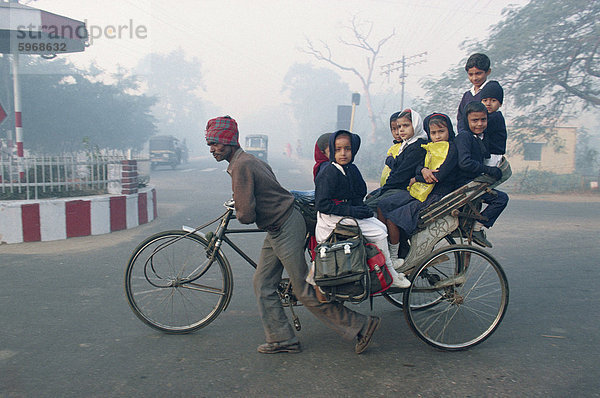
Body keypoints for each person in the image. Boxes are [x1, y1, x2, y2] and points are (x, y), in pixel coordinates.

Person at [205, 116, 380, 355]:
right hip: (280, 224)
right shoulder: (249, 159)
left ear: (230, 142)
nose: (213, 149)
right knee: (263, 283)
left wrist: (241, 208)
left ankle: (360, 326)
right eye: (210, 145)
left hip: (285, 227)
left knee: (303, 288)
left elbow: (245, 214)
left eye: (217, 144)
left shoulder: (241, 166)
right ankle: (281, 338)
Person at [314, 129, 411, 285]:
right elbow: (322, 204)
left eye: (347, 149)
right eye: (338, 150)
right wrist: (352, 210)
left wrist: (361, 208)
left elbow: (357, 193)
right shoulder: (329, 172)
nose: (343, 153)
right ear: (332, 151)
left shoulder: (350, 169)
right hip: (333, 217)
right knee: (379, 233)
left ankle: (387, 264)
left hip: (345, 213)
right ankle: (390, 275)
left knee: (382, 226)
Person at [377, 113, 458, 263]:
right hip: (420, 190)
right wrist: (422, 171)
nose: (438, 136)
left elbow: (438, 176)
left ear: (449, 131)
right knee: (382, 205)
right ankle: (386, 251)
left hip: (435, 194)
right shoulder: (429, 147)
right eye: (433, 133)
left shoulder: (451, 149)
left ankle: (394, 258)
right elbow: (420, 166)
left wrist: (418, 177)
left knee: (393, 218)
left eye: (441, 132)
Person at [454, 102, 509, 248]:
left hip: (473, 183)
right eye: (474, 120)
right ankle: (477, 228)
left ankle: (473, 226)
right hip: (464, 185)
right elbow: (465, 163)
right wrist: (488, 170)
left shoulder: (480, 137)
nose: (479, 124)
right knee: (501, 199)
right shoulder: (464, 137)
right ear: (467, 120)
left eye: (483, 120)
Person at [365, 109, 428, 211]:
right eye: (399, 127)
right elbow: (397, 165)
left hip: (404, 189)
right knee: (366, 204)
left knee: (369, 208)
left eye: (406, 125)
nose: (401, 130)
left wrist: (385, 188)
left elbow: (401, 174)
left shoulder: (418, 147)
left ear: (416, 125)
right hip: (394, 186)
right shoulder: (406, 145)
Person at [456, 53, 492, 135]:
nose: (474, 78)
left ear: (488, 72)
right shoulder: (467, 95)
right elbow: (461, 118)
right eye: (471, 74)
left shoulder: (490, 92)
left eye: (478, 73)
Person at [479, 80, 507, 167]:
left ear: (500, 103)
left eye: (493, 100)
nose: (488, 103)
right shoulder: (486, 117)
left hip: (493, 156)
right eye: (485, 100)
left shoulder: (495, 117)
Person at [379, 111, 402, 187]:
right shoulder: (394, 147)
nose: (397, 133)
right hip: (386, 185)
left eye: (399, 128)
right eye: (393, 129)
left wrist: (389, 160)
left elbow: (398, 165)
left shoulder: (406, 146)